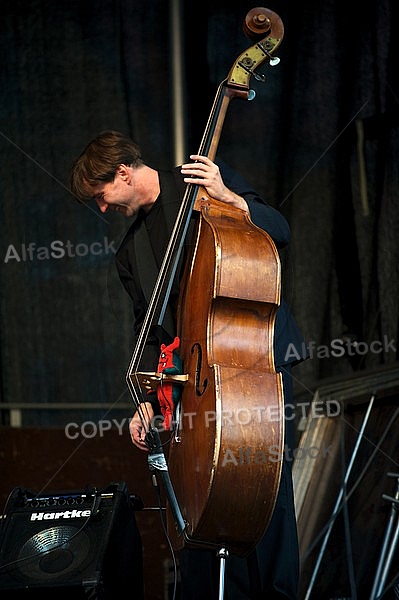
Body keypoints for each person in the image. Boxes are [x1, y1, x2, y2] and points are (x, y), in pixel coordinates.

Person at [69, 129, 307, 599]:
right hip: (194, 383)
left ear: (122, 172)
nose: (102, 209)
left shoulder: (203, 182)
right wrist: (146, 402)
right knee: (204, 503)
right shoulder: (128, 253)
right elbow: (151, 334)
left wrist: (230, 197)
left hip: (253, 363)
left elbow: (278, 230)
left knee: (264, 493)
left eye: (102, 196)